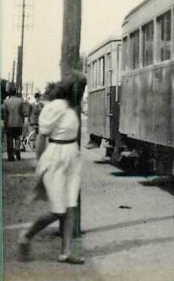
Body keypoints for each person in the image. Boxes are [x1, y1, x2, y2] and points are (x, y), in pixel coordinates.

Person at [18, 75, 86, 264]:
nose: (81, 93)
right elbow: (41, 137)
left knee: (70, 205)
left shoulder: (71, 108)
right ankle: (26, 234)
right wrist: (39, 162)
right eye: (80, 88)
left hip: (72, 156)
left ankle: (66, 252)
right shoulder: (54, 107)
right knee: (58, 209)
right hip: (56, 157)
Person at [2, 83, 26, 161]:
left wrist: (5, 123)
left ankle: (11, 156)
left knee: (9, 139)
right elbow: (22, 113)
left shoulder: (6, 102)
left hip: (9, 123)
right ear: (16, 92)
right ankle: (18, 150)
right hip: (18, 122)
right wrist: (22, 121)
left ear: (9, 93)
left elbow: (5, 115)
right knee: (18, 138)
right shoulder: (20, 101)